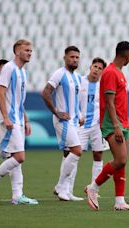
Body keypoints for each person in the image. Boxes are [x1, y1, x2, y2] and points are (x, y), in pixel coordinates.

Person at [84, 41, 129, 211]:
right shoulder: (110, 73)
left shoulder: (119, 73)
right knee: (120, 159)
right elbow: (109, 102)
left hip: (122, 124)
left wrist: (126, 126)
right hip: (112, 124)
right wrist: (116, 126)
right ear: (126, 55)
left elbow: (120, 102)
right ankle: (93, 187)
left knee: (122, 162)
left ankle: (120, 201)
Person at [0, 40, 38, 205]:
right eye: (26, 50)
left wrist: (25, 120)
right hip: (8, 121)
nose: (30, 53)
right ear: (17, 51)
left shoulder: (22, 71)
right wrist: (5, 117)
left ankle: (17, 195)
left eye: (31, 50)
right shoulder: (9, 68)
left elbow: (18, 101)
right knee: (19, 157)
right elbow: (0, 93)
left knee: (15, 156)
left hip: (18, 121)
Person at [41, 46, 83, 201]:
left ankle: (65, 191)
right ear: (65, 58)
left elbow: (76, 100)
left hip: (74, 120)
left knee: (68, 154)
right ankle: (60, 186)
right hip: (63, 121)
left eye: (77, 57)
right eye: (72, 57)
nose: (74, 60)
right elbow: (45, 93)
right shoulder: (59, 74)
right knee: (77, 151)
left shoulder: (77, 77)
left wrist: (80, 114)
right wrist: (56, 111)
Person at [78, 58, 108, 192]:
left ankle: (94, 189)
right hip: (81, 124)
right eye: (95, 66)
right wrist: (78, 115)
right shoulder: (80, 81)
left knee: (98, 154)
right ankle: (65, 189)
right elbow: (73, 101)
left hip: (97, 125)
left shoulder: (103, 85)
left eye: (100, 68)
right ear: (90, 67)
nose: (96, 69)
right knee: (74, 153)